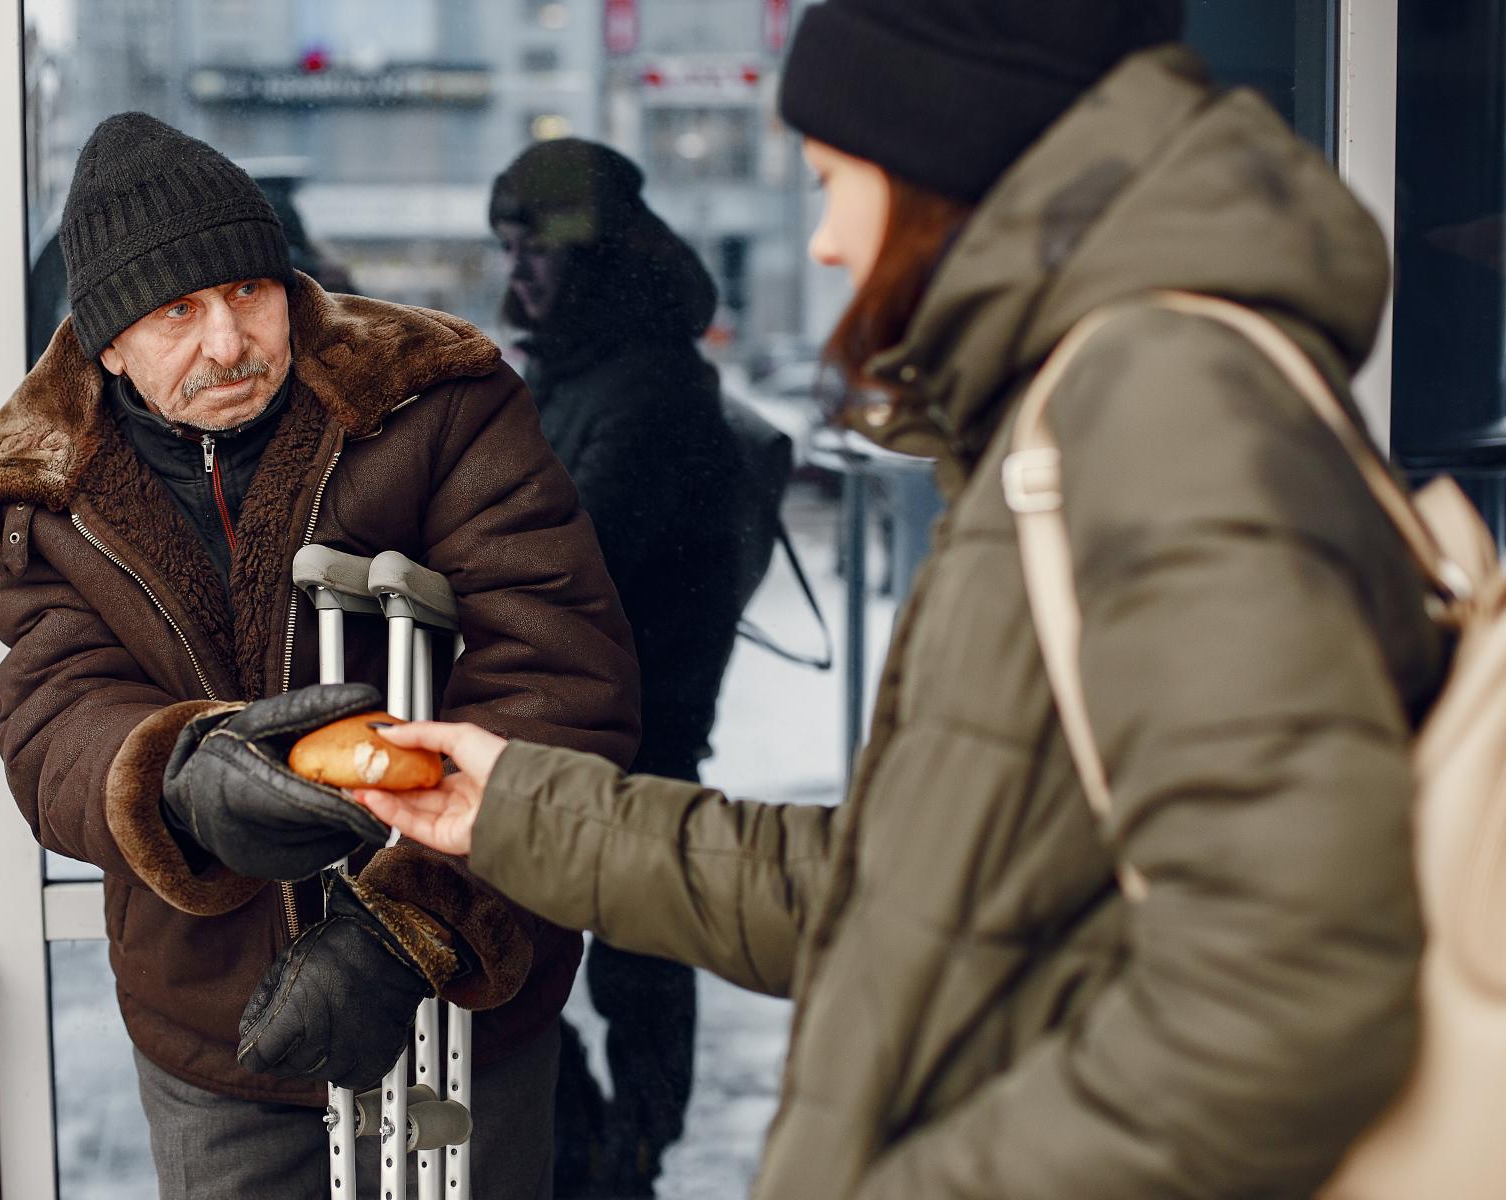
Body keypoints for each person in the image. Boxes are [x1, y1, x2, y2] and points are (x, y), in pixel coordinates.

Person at [353, 2, 1450, 1197]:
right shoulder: (1082, 413)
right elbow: (903, 888)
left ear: (943, 161)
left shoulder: (1156, 412)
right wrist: (513, 809)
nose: (823, 242)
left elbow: (1283, 999)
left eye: (833, 179)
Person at [0, 112, 639, 1200]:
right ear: (108, 341)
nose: (228, 340)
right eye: (177, 312)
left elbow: (559, 676)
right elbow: (54, 714)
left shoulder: (436, 400)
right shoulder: (35, 497)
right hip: (217, 1025)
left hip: (464, 992)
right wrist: (174, 774)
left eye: (249, 292)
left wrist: (412, 930)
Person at [489, 139, 745, 1196]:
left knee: (637, 952)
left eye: (534, 249)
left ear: (590, 255)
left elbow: (569, 553)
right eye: (508, 249)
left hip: (643, 715)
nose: (519, 274)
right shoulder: (579, 364)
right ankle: (604, 1146)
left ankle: (625, 1154)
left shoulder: (645, 383)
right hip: (594, 711)